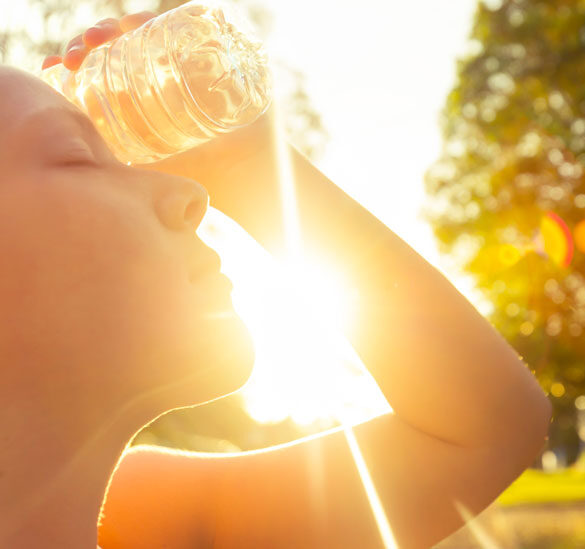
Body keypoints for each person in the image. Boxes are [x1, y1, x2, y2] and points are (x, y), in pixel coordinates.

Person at [0, 11, 552, 549]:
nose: (192, 197)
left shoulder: (141, 521)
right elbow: (484, 434)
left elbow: (490, 426)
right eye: (76, 157)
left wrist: (251, 166)